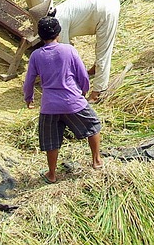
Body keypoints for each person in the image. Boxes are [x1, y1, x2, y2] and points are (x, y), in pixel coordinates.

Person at [24, 15, 103, 181]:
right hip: (72, 102)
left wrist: (29, 98)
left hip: (49, 106)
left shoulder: (36, 56)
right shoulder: (68, 50)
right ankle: (96, 161)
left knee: (51, 141)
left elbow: (29, 80)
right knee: (93, 125)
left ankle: (52, 174)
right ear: (58, 34)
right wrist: (84, 91)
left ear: (40, 36)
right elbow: (83, 75)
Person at [51, 0, 120, 102]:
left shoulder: (58, 24)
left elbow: (68, 57)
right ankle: (95, 69)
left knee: (103, 51)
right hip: (103, 0)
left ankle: (98, 91)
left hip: (105, 9)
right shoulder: (56, 16)